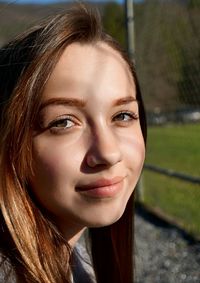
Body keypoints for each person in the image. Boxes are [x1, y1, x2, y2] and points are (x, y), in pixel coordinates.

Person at [0, 4, 146, 283]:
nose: (108, 152)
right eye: (63, 122)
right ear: (9, 143)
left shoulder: (76, 261)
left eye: (123, 115)